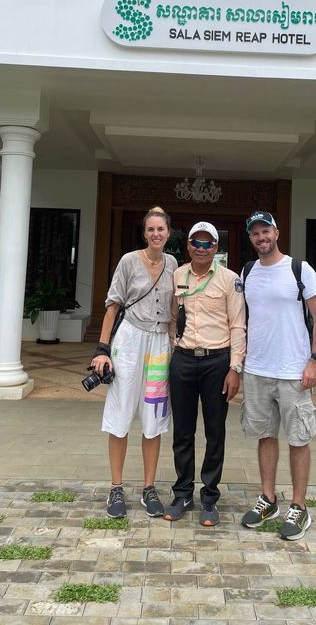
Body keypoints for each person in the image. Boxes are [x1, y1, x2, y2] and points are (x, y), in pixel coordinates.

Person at [240, 211, 316, 541]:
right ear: (251, 238)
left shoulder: (299, 269)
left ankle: (299, 505)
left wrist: (315, 360)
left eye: (266, 231)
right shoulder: (248, 273)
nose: (261, 238)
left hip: (293, 371)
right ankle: (268, 499)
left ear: (276, 233)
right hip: (258, 369)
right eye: (255, 234)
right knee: (265, 436)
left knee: (298, 438)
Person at [90, 206, 178, 519]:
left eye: (161, 229)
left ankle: (149, 487)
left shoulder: (173, 265)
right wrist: (102, 350)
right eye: (151, 229)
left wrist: (174, 345)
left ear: (168, 232)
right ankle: (116, 487)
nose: (156, 234)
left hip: (158, 345)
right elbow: (113, 306)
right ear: (145, 233)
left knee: (154, 416)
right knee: (121, 410)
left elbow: (173, 310)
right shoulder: (129, 261)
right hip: (129, 341)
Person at [164, 221, 246, 527]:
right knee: (182, 432)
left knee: (215, 431)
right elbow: (173, 317)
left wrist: (235, 368)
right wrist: (176, 349)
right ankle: (183, 493)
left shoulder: (230, 280)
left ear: (216, 247)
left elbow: (238, 324)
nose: (201, 249)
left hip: (217, 363)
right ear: (187, 246)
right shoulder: (177, 276)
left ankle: (210, 496)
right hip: (184, 360)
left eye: (207, 244)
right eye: (195, 243)